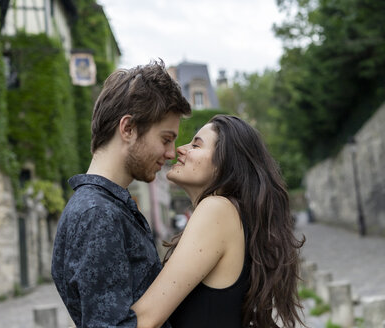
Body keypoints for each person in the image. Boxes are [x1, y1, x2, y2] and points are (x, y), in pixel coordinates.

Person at [51, 61, 191, 327]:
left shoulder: (106, 207)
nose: (172, 152)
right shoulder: (98, 214)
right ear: (128, 128)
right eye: (165, 139)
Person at [131, 115, 305, 328]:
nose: (180, 149)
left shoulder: (217, 209)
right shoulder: (234, 216)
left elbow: (147, 318)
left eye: (196, 144)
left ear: (225, 162)